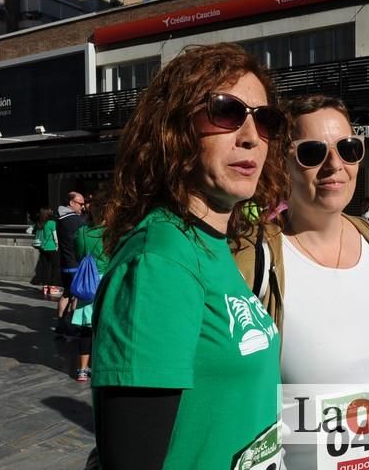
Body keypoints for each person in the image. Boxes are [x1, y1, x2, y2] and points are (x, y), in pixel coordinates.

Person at [91, 42, 287, 469]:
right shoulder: (159, 263)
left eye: (265, 119)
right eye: (226, 111)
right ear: (174, 130)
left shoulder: (212, 245)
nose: (252, 137)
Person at [233, 95, 369, 470]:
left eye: (348, 148)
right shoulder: (254, 258)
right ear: (282, 163)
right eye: (312, 152)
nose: (334, 165)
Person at [71, 193, 109, 382]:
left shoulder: (82, 231)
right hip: (106, 280)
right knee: (104, 326)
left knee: (86, 328)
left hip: (88, 281)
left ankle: (82, 369)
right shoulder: (111, 232)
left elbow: (78, 254)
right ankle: (102, 366)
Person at [55, 191, 86, 333]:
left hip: (65, 262)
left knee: (66, 293)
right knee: (77, 296)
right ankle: (76, 325)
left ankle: (61, 323)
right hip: (76, 264)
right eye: (80, 203)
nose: (83, 207)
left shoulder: (60, 219)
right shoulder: (77, 221)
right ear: (71, 203)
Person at [31, 206, 62, 296]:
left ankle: (45, 287)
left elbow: (28, 230)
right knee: (55, 267)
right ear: (48, 213)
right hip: (52, 248)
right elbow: (55, 236)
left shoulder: (39, 223)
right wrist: (57, 245)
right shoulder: (52, 223)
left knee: (45, 267)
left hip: (42, 248)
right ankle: (52, 288)